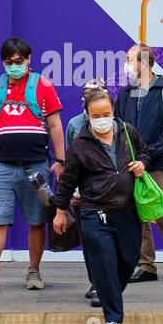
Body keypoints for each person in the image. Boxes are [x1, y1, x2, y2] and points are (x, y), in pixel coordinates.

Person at [53, 88, 148, 324]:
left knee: (128, 260)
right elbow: (67, 181)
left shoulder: (128, 132)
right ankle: (113, 316)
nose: (102, 118)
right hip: (94, 212)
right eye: (96, 115)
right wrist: (60, 211)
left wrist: (142, 164)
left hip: (127, 211)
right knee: (104, 263)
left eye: (106, 113)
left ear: (113, 112)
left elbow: (145, 152)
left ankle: (109, 293)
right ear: (87, 115)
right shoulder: (80, 144)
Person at [0, 37, 65, 293]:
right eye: (9, 62)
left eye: (19, 61)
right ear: (3, 62)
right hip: (3, 166)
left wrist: (60, 160)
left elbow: (56, 124)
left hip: (36, 167)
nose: (14, 65)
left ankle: (33, 271)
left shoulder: (43, 86)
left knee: (37, 221)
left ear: (28, 59)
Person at [115, 44, 163, 286]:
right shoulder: (124, 95)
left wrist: (147, 157)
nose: (125, 64)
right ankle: (146, 265)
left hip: (159, 165)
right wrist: (131, 160)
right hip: (132, 167)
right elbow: (118, 130)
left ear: (143, 63)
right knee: (139, 219)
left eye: (128, 59)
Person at [68, 78, 108, 307]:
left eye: (95, 92)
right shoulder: (75, 124)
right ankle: (96, 283)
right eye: (86, 93)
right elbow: (70, 161)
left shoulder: (117, 124)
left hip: (111, 195)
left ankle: (107, 283)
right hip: (84, 195)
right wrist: (72, 190)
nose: (90, 96)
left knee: (110, 244)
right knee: (91, 242)